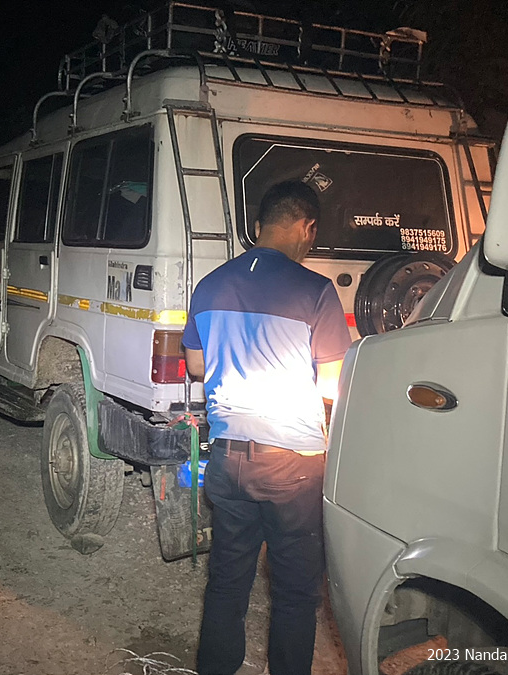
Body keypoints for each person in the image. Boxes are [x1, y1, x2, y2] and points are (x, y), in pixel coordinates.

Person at [182, 180, 350, 675]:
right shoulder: (316, 290)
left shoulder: (210, 284)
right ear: (307, 227)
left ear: (259, 227)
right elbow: (334, 383)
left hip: (229, 459)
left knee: (227, 580)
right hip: (293, 466)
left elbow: (196, 365)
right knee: (295, 592)